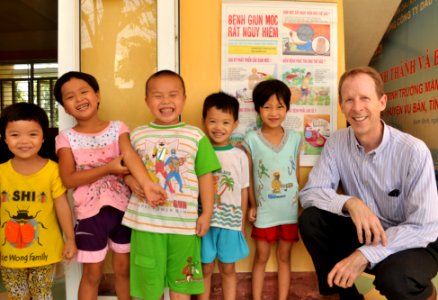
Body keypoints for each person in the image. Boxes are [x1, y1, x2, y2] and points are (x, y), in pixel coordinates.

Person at [299, 66, 438, 300]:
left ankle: (425, 294)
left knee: (396, 278)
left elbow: (424, 227)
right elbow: (310, 193)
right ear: (342, 106)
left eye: (365, 98)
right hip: (367, 232)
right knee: (311, 219)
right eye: (349, 100)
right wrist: (351, 203)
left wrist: (364, 254)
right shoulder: (337, 143)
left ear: (382, 102)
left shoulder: (413, 151)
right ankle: (344, 296)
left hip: (414, 241)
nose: (357, 107)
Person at [53, 71, 166, 300]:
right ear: (65, 108)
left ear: (97, 95)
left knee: (123, 270)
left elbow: (130, 156)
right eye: (70, 97)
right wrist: (107, 168)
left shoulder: (117, 128)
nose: (79, 99)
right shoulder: (65, 137)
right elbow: (68, 179)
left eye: (84, 92)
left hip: (124, 211)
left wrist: (147, 184)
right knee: (93, 274)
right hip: (89, 215)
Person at [121, 70, 221, 300]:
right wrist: (130, 180)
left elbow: (206, 176)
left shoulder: (195, 136)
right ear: (147, 101)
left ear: (184, 99)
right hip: (146, 226)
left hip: (184, 227)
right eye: (157, 96)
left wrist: (206, 213)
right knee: (148, 288)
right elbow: (123, 171)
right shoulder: (137, 136)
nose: (166, 101)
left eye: (173, 95)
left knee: (182, 285)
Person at [0, 102, 77, 299]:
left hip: (45, 252)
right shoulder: (1, 172)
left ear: (43, 137)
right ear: (4, 138)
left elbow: (62, 206)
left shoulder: (52, 170)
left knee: (42, 295)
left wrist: (70, 239)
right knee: (17, 296)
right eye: (15, 135)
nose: (24, 141)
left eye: (32, 134)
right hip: (9, 253)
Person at [243, 79, 302, 300]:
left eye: (279, 106)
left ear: (287, 108)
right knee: (261, 256)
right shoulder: (251, 139)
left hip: (289, 211)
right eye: (267, 107)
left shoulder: (295, 138)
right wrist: (252, 204)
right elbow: (248, 176)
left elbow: (295, 174)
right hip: (264, 210)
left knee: (285, 257)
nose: (273, 112)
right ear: (258, 109)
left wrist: (299, 206)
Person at [198, 92, 250, 300]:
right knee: (205, 269)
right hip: (204, 222)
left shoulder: (240, 156)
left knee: (228, 269)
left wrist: (242, 223)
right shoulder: (199, 152)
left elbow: (243, 190)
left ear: (235, 124)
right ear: (204, 122)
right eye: (213, 121)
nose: (218, 127)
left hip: (230, 223)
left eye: (225, 122)